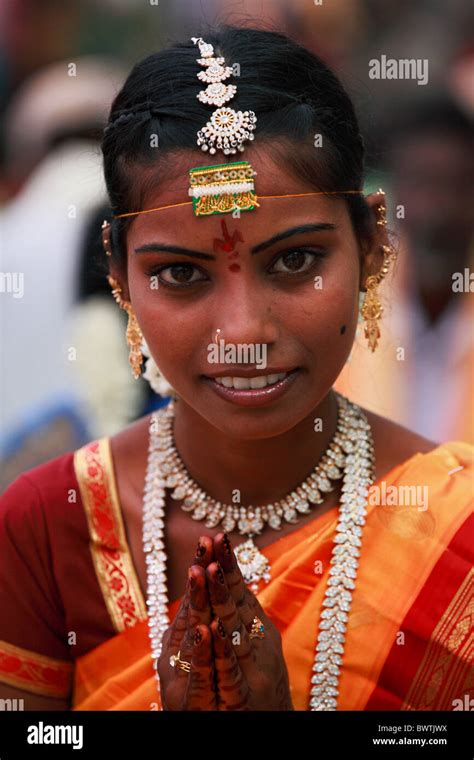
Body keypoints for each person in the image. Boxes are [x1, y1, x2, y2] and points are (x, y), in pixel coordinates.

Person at [0, 27, 472, 712]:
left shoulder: (456, 533)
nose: (245, 331)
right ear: (120, 279)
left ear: (371, 248)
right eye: (182, 273)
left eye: (295, 261)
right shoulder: (47, 531)